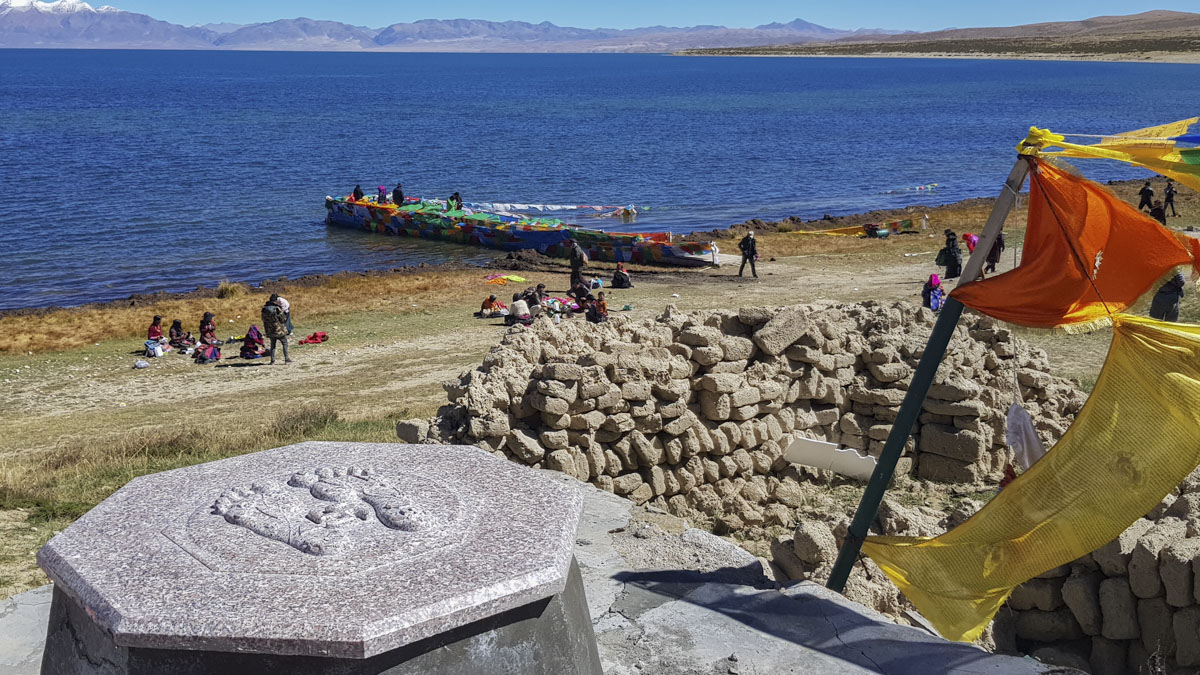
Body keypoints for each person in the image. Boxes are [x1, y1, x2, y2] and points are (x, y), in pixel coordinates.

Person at [261, 296, 292, 364]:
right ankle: (287, 359)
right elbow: (283, 319)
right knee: (284, 343)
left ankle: (272, 361)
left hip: (269, 330)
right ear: (275, 301)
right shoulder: (277, 309)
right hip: (278, 330)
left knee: (273, 345)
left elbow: (263, 319)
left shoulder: (264, 309)